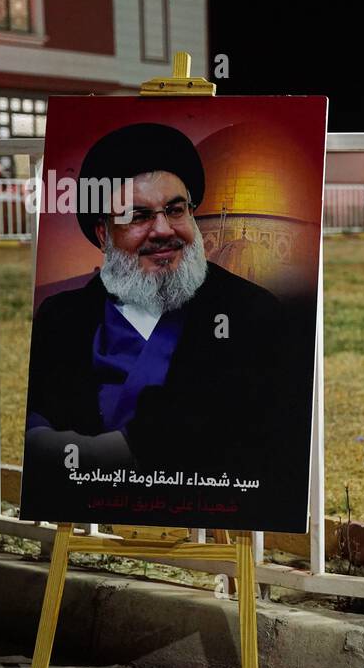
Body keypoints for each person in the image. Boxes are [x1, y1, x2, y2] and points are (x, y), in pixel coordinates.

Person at [21, 122, 308, 529]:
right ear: (104, 232)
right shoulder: (61, 317)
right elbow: (41, 415)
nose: (163, 230)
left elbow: (243, 434)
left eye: (175, 210)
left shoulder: (252, 314)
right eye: (137, 216)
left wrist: (110, 451)